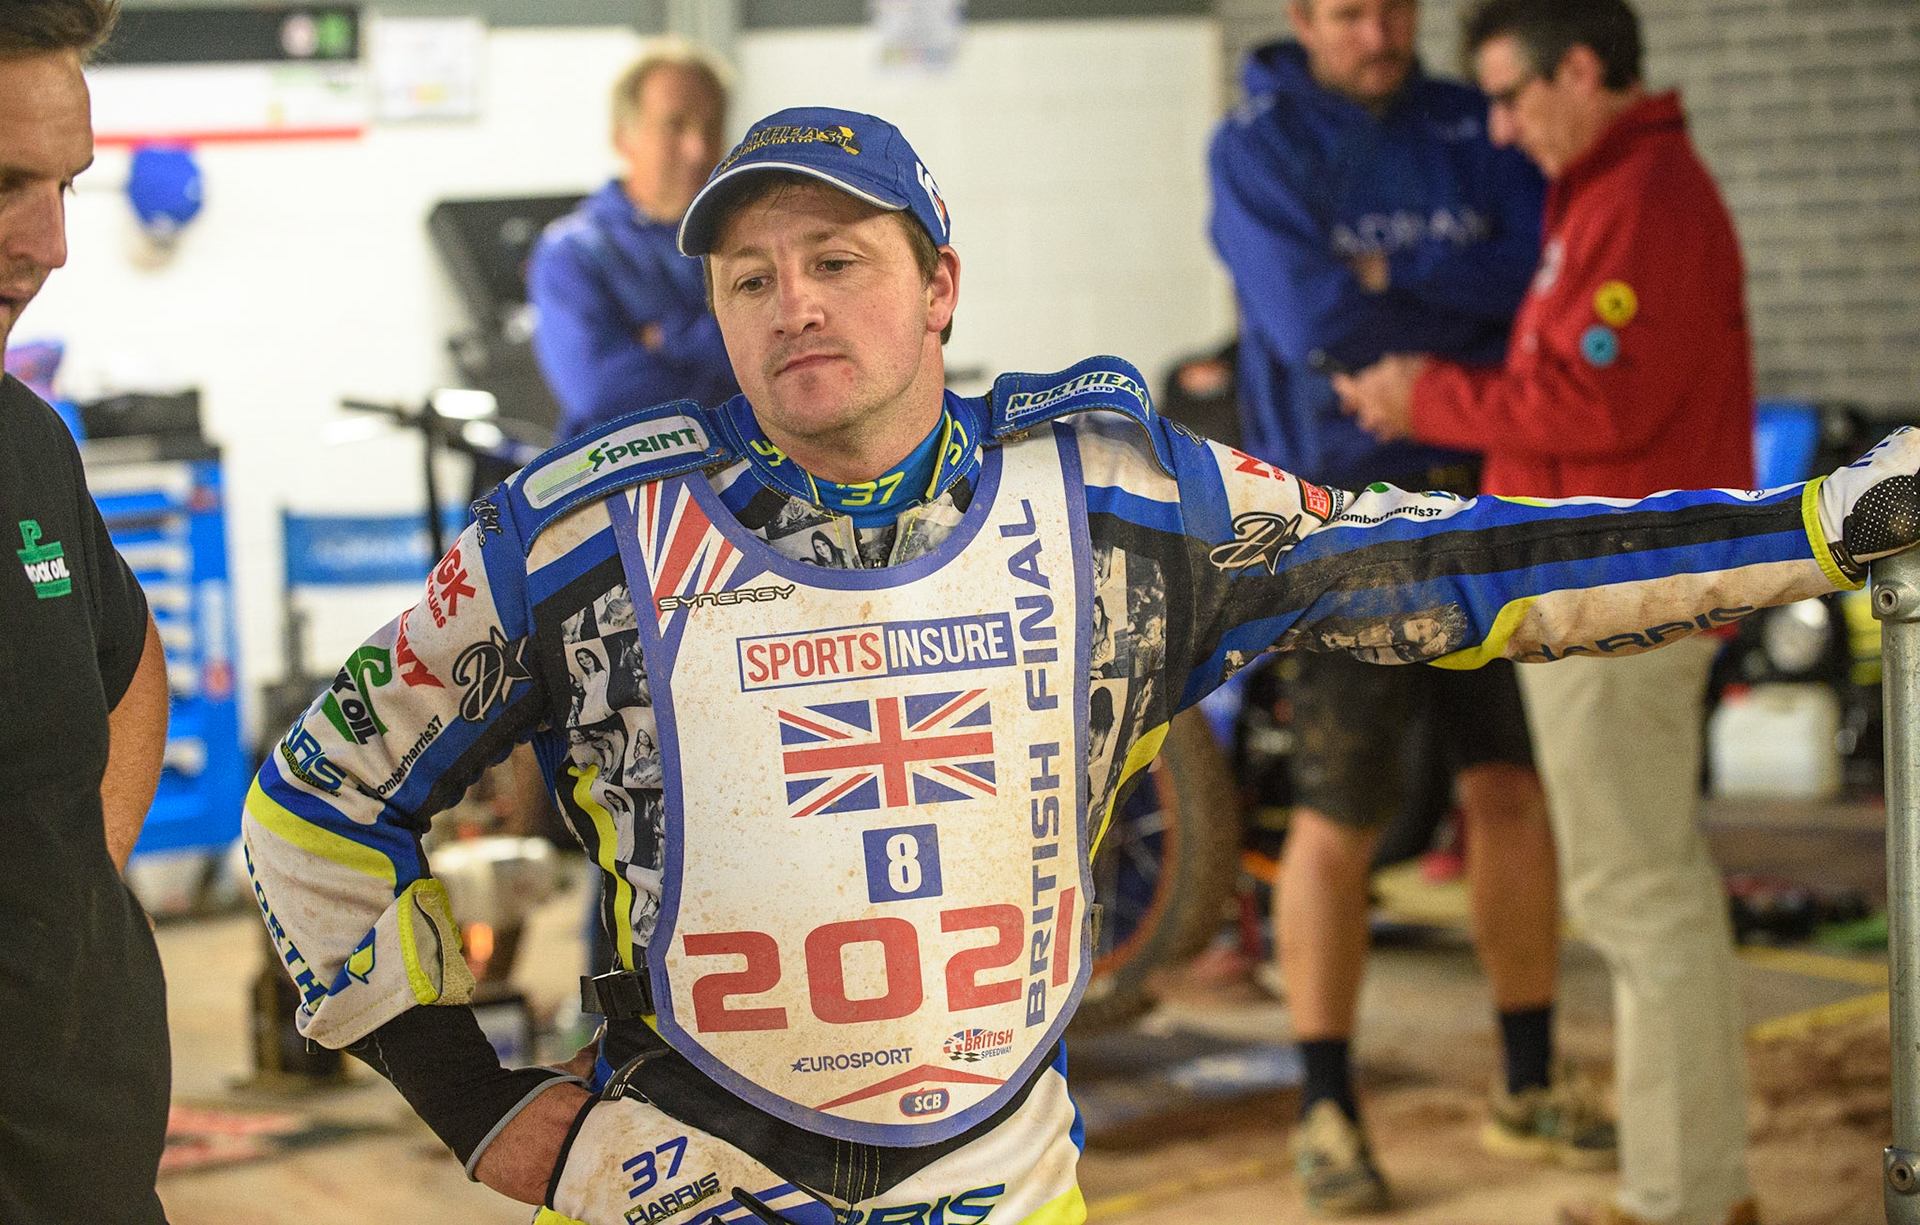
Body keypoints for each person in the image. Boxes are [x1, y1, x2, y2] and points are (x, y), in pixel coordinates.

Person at [237, 104, 1920, 1225]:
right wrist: (466, 1096)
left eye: (840, 260)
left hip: (1006, 1189)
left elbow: (1463, 565)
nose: (794, 304)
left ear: (939, 286)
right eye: (751, 277)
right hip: (676, 1184)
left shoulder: (1120, 498)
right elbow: (315, 802)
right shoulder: (576, 533)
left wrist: (1817, 527)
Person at [1335, 0, 1760, 1225]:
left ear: (1580, 70)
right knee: (1646, 889)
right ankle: (1695, 1185)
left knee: (1638, 895)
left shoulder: (1643, 198)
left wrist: (1429, 396)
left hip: (1628, 595)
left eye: (1514, 96)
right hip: (1609, 585)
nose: (1504, 126)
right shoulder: (1606, 191)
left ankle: (1682, 1198)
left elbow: (1599, 402)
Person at [1206, 0, 1578, 1209]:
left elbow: (1530, 281)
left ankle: (1529, 1083)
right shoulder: (1256, 148)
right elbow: (1315, 322)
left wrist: (1386, 277)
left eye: (1396, 9)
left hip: (1490, 499)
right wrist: (1438, 302)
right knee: (1340, 816)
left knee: (1510, 790)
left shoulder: (1473, 120)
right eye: (1351, 14)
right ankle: (1326, 1109)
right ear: (1302, 17)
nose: (1378, 34)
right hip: (1341, 523)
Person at [0, 0, 174, 1221]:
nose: (49, 246)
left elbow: (129, 660)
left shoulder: (25, 440)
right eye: (3, 184)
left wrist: (73, 892)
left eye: (63, 186)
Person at [528, 43, 738, 441]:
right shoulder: (573, 253)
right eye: (675, 125)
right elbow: (602, 393)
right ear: (623, 137)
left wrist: (669, 339)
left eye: (711, 127)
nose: (698, 149)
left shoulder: (749, 245)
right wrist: (738, 387)